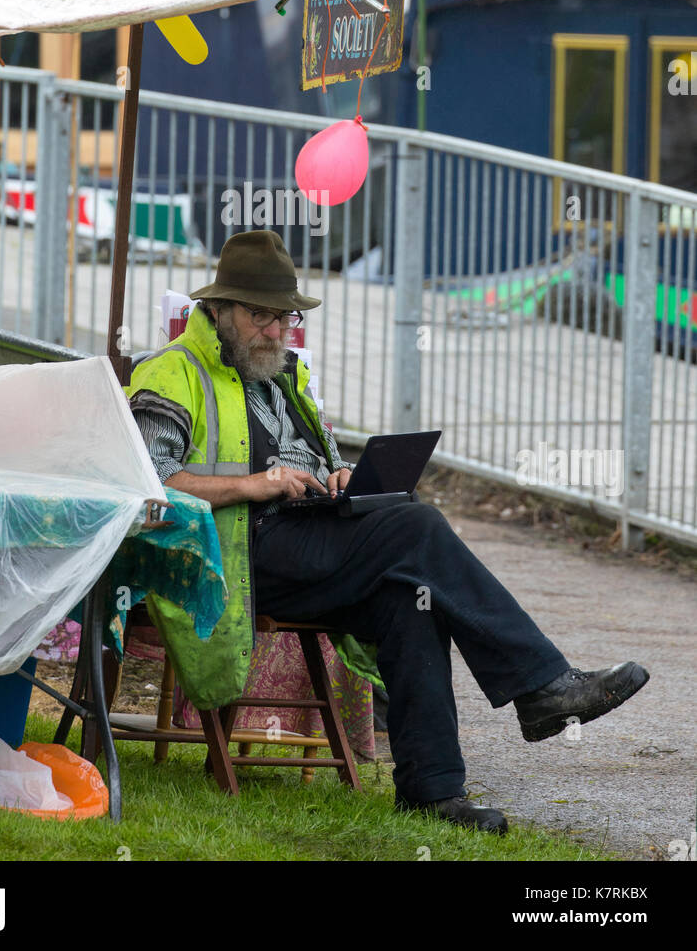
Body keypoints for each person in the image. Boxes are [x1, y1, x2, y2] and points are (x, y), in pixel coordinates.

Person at [127, 230, 649, 835]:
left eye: (284, 317)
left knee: (411, 598)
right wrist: (255, 485)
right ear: (216, 311)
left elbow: (315, 462)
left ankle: (432, 793)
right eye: (259, 316)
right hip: (231, 556)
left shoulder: (286, 376)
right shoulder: (171, 372)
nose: (275, 331)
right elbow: (148, 483)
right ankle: (541, 686)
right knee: (416, 528)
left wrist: (340, 475)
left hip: (306, 543)